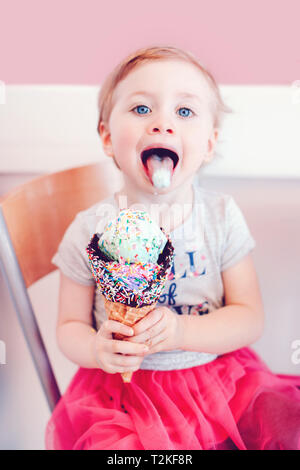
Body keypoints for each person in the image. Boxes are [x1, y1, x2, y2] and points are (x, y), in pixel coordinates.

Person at [45, 45, 300, 450]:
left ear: (210, 144)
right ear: (108, 138)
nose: (163, 123)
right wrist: (96, 348)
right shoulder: (89, 229)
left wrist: (182, 330)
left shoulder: (220, 217)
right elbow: (68, 327)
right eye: (142, 109)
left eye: (184, 112)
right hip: (122, 400)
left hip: (217, 384)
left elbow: (250, 317)